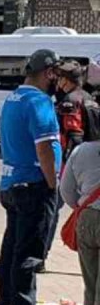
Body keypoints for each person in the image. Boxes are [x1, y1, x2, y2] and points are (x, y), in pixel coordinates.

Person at [0, 49, 62, 305]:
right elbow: (44, 147)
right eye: (56, 74)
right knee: (29, 252)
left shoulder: (13, 99)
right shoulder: (39, 101)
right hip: (34, 184)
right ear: (48, 73)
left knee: (11, 248)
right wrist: (52, 183)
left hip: (11, 183)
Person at [42, 61, 100, 271]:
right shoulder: (91, 99)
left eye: (60, 78)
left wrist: (66, 166)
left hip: (75, 164)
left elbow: (73, 135)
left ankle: (40, 256)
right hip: (93, 164)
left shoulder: (69, 102)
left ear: (66, 80)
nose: (57, 82)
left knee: (51, 209)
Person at [60, 139, 100, 305]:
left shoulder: (81, 150)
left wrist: (81, 205)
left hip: (86, 218)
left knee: (91, 285)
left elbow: (66, 190)